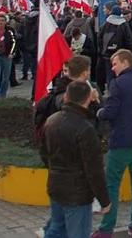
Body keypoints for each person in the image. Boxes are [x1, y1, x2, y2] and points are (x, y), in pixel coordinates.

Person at [94, 49, 132, 238]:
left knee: (112, 185)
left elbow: (111, 112)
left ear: (125, 63)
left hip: (120, 141)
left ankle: (106, 228)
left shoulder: (117, 84)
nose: (112, 68)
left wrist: (99, 111)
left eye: (115, 63)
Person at [40, 80, 110, 238]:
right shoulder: (86, 129)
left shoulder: (52, 121)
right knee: (77, 233)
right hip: (78, 193)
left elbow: (44, 153)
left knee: (56, 228)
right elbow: (94, 169)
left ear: (66, 96)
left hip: (56, 186)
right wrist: (104, 200)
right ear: (88, 98)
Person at [0, 15, 16, 98]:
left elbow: (14, 42)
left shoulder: (9, 31)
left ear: (5, 21)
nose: (0, 22)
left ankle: (3, 94)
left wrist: (11, 53)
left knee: (5, 77)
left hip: (7, 56)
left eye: (2, 20)